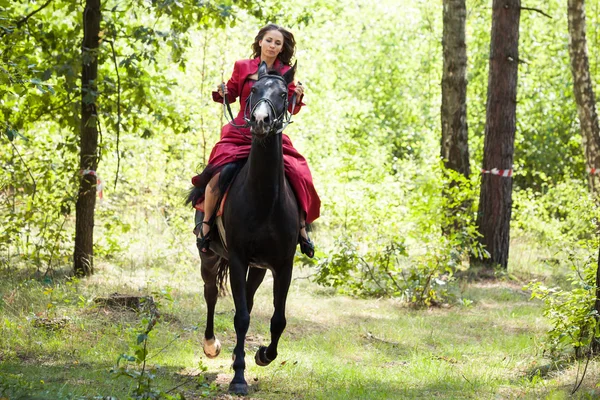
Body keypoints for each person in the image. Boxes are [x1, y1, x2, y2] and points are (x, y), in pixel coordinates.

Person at [191, 23, 320, 258]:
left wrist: (297, 98)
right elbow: (231, 92)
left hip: (272, 136)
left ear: (282, 48)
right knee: (217, 174)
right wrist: (222, 93)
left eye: (277, 43)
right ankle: (207, 225)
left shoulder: (285, 72)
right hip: (240, 133)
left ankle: (301, 230)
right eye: (269, 40)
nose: (272, 45)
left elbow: (289, 105)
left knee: (300, 173)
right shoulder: (242, 67)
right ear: (260, 41)